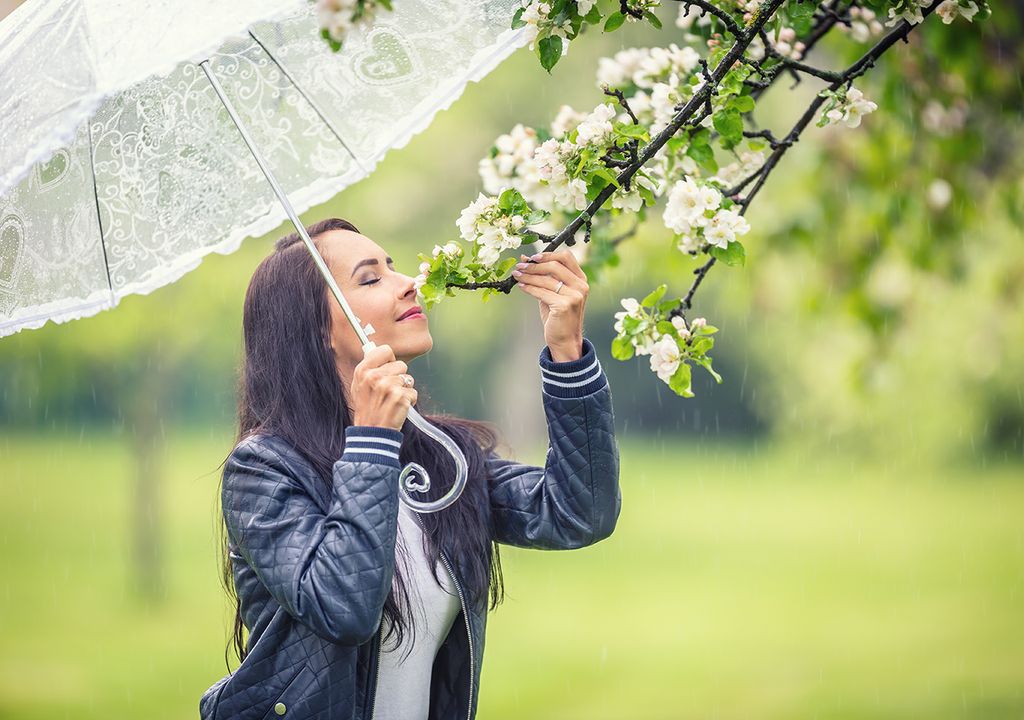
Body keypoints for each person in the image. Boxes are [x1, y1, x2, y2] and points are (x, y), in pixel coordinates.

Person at [199, 217, 621, 720]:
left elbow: (577, 512)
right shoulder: (264, 470)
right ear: (317, 329)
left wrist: (567, 353)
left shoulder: (441, 457)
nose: (409, 283)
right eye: (371, 278)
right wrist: (372, 440)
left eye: (393, 267)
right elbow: (344, 608)